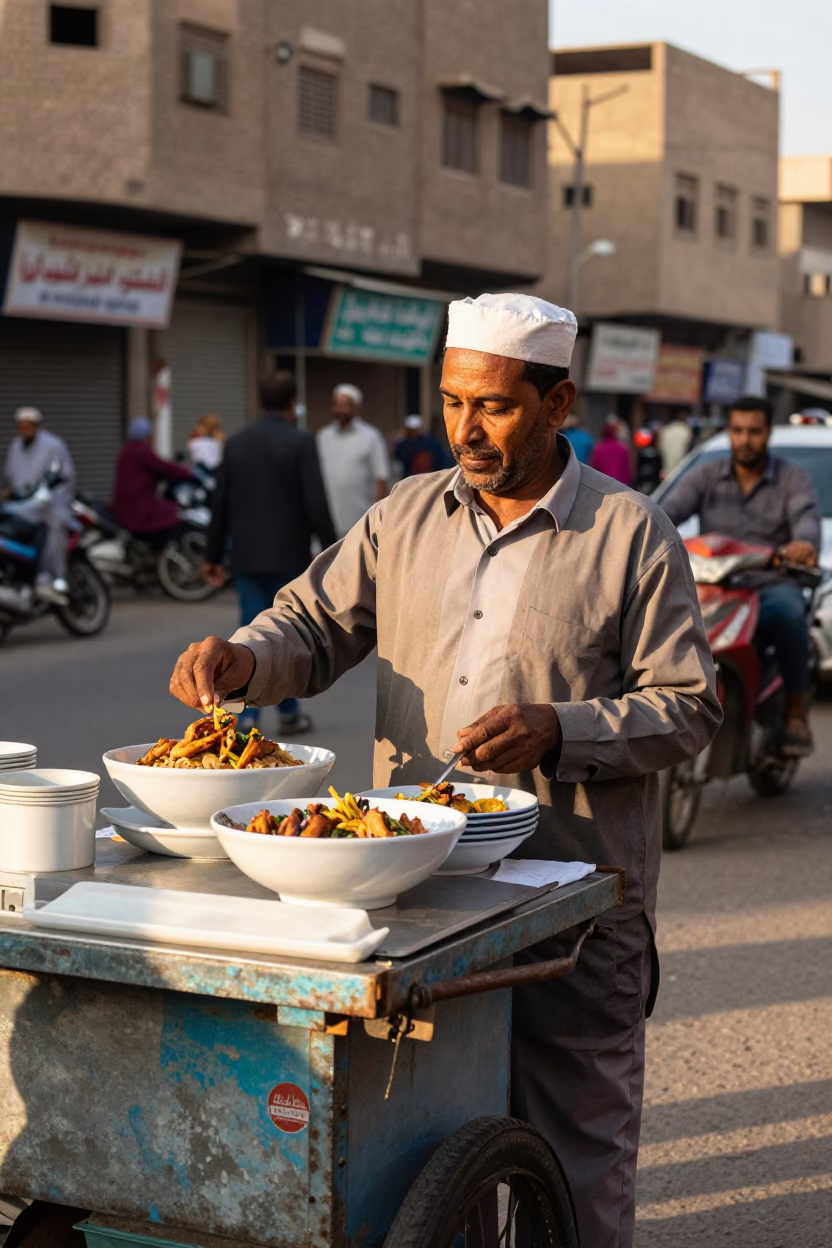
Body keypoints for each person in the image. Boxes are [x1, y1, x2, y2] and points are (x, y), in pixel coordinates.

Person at [170, 292, 721, 1248]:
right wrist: (245, 660)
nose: (465, 428)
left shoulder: (633, 535)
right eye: (453, 402)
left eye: (495, 406)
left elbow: (689, 708)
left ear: (558, 404)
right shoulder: (407, 512)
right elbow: (309, 621)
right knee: (432, 1166)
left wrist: (561, 728)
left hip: (574, 911)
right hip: (419, 903)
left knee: (577, 1162)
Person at [660, 394, 820, 756]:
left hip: (770, 584)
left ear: (766, 434)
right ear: (728, 433)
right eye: (738, 431)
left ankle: (795, 709)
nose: (745, 439)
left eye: (754, 432)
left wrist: (803, 543)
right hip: (718, 586)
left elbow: (806, 519)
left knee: (790, 617)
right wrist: (640, 526)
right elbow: (667, 510)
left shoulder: (792, 478)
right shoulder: (706, 476)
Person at [203, 370, 336, 736]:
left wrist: (212, 555)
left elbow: (221, 504)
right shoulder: (300, 442)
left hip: (246, 556)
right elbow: (316, 503)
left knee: (248, 631)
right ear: (294, 403)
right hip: (289, 556)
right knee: (286, 631)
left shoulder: (237, 443)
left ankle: (244, 716)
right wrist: (334, 555)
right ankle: (289, 715)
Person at [3, 407, 75, 603]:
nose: (24, 430)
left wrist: (44, 491)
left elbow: (61, 475)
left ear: (36, 426)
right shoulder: (16, 446)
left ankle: (48, 579)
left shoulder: (53, 445)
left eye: (28, 426)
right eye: (21, 427)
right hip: (22, 505)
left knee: (52, 535)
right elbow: (12, 477)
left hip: (50, 504)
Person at [316, 384, 389, 537]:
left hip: (360, 522)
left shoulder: (371, 437)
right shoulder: (323, 437)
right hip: (327, 521)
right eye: (337, 404)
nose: (340, 410)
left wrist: (378, 521)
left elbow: (381, 478)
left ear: (356, 408)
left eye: (345, 405)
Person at [111, 418, 193, 542]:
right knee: (173, 513)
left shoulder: (127, 450)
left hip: (123, 506)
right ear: (146, 436)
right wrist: (187, 473)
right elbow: (162, 466)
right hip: (137, 508)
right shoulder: (141, 451)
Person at [590, 419, 633, 485]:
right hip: (620, 486)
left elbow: (594, 468)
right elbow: (627, 472)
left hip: (603, 485)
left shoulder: (599, 449)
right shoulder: (622, 449)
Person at [657, 411, 692, 476]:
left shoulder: (665, 429)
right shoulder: (685, 429)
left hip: (667, 469)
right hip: (680, 469)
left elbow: (659, 447)